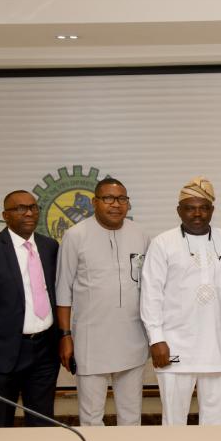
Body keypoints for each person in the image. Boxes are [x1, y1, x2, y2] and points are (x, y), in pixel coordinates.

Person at [140, 177, 221, 425]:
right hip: (173, 345)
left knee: (214, 417)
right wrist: (156, 338)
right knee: (174, 419)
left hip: (216, 343)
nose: (197, 213)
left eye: (204, 207)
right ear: (179, 210)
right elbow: (151, 293)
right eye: (190, 207)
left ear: (212, 210)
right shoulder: (163, 243)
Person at [56, 177, 150, 426]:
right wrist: (65, 335)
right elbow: (63, 289)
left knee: (131, 416)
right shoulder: (75, 236)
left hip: (132, 336)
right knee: (91, 416)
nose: (115, 204)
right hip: (91, 340)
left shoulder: (140, 235)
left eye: (121, 199)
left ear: (128, 204)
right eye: (108, 198)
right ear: (94, 202)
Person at [0, 191, 60, 427]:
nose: (28, 212)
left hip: (45, 350)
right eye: (20, 208)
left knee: (42, 420)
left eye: (33, 207)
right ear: (5, 215)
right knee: (1, 421)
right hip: (2, 351)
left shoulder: (50, 247)